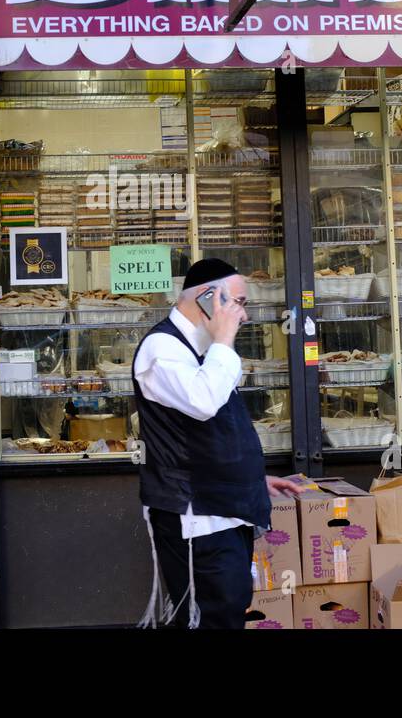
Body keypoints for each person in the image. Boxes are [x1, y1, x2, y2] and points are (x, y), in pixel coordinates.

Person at [133, 258, 304, 629]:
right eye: (238, 303)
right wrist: (224, 340)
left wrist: (251, 480)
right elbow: (203, 402)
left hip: (224, 507)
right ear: (209, 298)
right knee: (211, 615)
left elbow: (214, 433)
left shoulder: (206, 349)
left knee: (230, 607)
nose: (242, 316)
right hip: (197, 515)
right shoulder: (162, 348)